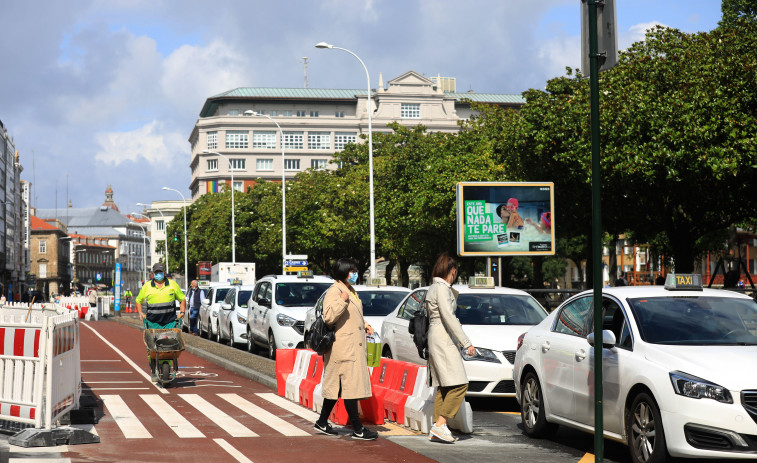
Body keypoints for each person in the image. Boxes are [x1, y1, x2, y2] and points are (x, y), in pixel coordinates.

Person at [313, 257, 378, 441]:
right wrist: (342, 300)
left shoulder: (349, 289)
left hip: (350, 346)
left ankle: (322, 421)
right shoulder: (335, 291)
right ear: (343, 272)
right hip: (343, 347)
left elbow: (352, 315)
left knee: (339, 387)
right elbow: (329, 317)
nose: (355, 274)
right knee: (350, 388)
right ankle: (358, 429)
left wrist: (365, 324)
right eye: (352, 271)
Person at [426, 252, 475, 444]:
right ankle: (440, 424)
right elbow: (449, 317)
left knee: (445, 386)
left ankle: (438, 427)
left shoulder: (434, 287)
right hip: (443, 337)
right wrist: (466, 342)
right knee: (460, 383)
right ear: (452, 271)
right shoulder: (441, 288)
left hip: (437, 336)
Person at [135, 263, 186, 380]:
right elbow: (139, 300)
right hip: (153, 322)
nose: (158, 274)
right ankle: (153, 368)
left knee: (169, 346)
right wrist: (140, 313)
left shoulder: (172, 285)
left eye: (160, 272)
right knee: (151, 347)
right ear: (153, 274)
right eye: (156, 272)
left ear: (164, 272)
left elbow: (182, 299)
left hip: (169, 321)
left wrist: (182, 312)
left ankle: (167, 366)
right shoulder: (147, 286)